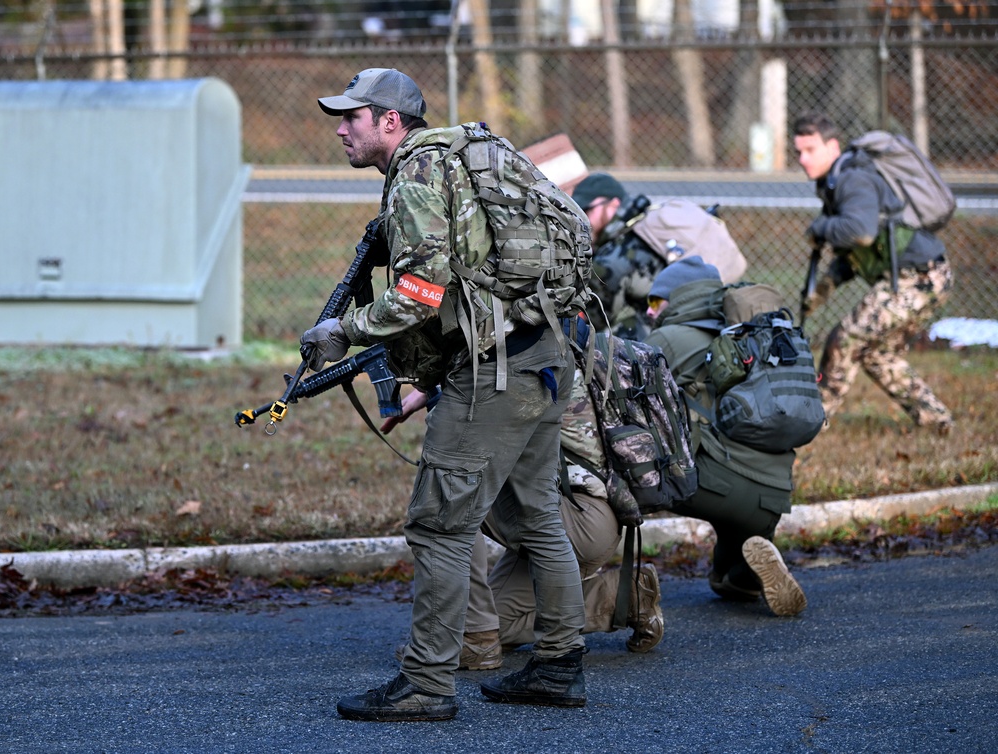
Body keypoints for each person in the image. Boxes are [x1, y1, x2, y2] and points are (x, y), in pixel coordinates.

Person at [302, 68, 587, 721]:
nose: (341, 128)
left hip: (495, 373)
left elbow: (419, 294)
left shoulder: (417, 176)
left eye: (353, 117)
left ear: (391, 123)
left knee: (438, 527)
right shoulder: (464, 157)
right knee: (540, 512)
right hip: (546, 353)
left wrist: (342, 330)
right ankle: (558, 665)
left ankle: (427, 683)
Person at [382, 357, 665, 671]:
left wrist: (436, 388)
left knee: (446, 493)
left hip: (576, 515)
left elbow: (460, 454)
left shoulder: (510, 366)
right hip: (591, 514)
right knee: (499, 622)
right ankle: (623, 598)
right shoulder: (548, 349)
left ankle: (477, 638)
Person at [642, 256, 807, 617]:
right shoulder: (751, 336)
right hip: (773, 495)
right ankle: (745, 573)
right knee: (730, 577)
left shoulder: (666, 337)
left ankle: (600, 578)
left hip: (713, 486)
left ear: (679, 300)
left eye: (655, 302)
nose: (650, 311)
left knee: (627, 467)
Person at [792, 111, 954, 434]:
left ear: (832, 146)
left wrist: (820, 227)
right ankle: (938, 423)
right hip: (922, 276)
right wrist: (826, 285)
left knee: (845, 338)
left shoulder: (853, 179)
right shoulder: (836, 182)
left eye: (810, 150)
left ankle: (811, 423)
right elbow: (860, 251)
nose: (802, 159)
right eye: (798, 152)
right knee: (876, 354)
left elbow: (860, 231)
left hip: (921, 277)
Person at [571, 172, 746, 340]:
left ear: (613, 205)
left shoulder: (613, 258)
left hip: (680, 324)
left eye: (586, 210)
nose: (580, 219)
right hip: (717, 306)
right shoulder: (647, 222)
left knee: (603, 343)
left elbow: (589, 322)